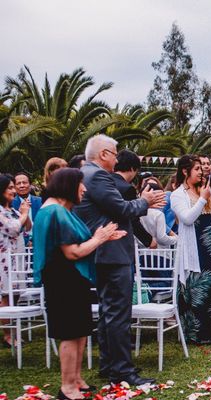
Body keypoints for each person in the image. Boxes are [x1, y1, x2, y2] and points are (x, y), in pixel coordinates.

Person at [75, 134, 165, 386]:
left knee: (108, 312)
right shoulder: (98, 176)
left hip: (104, 252)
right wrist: (144, 201)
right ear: (103, 154)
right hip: (113, 252)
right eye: (114, 153)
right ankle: (123, 371)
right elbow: (122, 209)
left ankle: (109, 364)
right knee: (118, 313)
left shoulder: (86, 175)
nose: (117, 158)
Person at [32, 168, 125, 400]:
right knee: (69, 332)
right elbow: (73, 252)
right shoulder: (54, 212)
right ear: (68, 185)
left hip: (74, 279)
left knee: (80, 331)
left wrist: (101, 236)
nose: (84, 189)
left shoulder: (63, 210)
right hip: (63, 279)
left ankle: (77, 379)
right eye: (81, 185)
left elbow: (80, 239)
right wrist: (99, 239)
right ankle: (67, 387)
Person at [171, 155, 211, 344]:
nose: (201, 171)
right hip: (192, 246)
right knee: (196, 287)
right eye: (197, 168)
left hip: (210, 246)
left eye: (201, 168)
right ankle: (195, 334)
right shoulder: (177, 195)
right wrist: (201, 200)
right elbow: (187, 219)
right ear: (185, 171)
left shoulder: (206, 191)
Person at [0, 175, 31, 347]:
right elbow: (12, 229)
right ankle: (8, 335)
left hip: (17, 258)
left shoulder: (12, 210)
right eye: (10, 188)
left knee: (16, 294)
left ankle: (14, 331)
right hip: (4, 260)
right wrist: (24, 214)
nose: (14, 190)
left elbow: (27, 227)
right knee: (6, 295)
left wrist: (25, 212)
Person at [112, 150, 155, 249]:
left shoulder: (106, 181)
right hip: (120, 242)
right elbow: (132, 219)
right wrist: (149, 240)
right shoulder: (127, 188)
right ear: (132, 168)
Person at [139, 179, 177, 248]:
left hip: (141, 252)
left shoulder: (136, 213)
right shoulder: (158, 214)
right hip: (162, 252)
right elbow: (162, 238)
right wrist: (176, 238)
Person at [12, 172, 41, 246]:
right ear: (14, 187)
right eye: (18, 183)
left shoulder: (41, 201)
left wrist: (33, 240)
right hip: (19, 245)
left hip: (39, 243)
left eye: (24, 182)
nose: (22, 185)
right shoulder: (10, 204)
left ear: (30, 185)